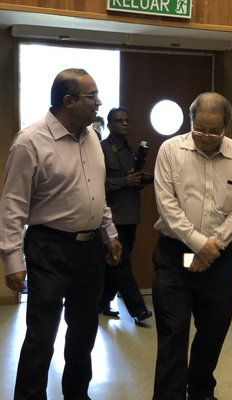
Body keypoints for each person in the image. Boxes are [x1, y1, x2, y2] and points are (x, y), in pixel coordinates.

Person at [0, 68, 122, 400]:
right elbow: (12, 204)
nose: (99, 103)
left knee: (84, 333)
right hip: (49, 247)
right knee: (42, 336)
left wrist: (109, 234)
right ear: (68, 101)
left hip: (89, 250)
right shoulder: (30, 142)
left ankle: (77, 395)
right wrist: (12, 260)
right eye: (92, 96)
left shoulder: (92, 137)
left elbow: (96, 193)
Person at [152, 92, 232, 400]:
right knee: (173, 332)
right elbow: (167, 205)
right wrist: (198, 244)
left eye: (214, 131)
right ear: (190, 120)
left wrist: (211, 248)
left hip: (217, 260)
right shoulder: (170, 150)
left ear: (226, 126)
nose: (206, 136)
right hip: (174, 257)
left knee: (214, 330)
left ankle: (200, 391)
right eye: (200, 128)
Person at [98, 106, 153, 323]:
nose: (125, 124)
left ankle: (102, 302)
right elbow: (97, 184)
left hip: (131, 216)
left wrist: (143, 179)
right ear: (110, 125)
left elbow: (134, 180)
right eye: (120, 121)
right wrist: (125, 181)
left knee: (115, 262)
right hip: (112, 218)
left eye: (127, 120)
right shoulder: (101, 149)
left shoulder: (132, 150)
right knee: (121, 263)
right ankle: (138, 309)